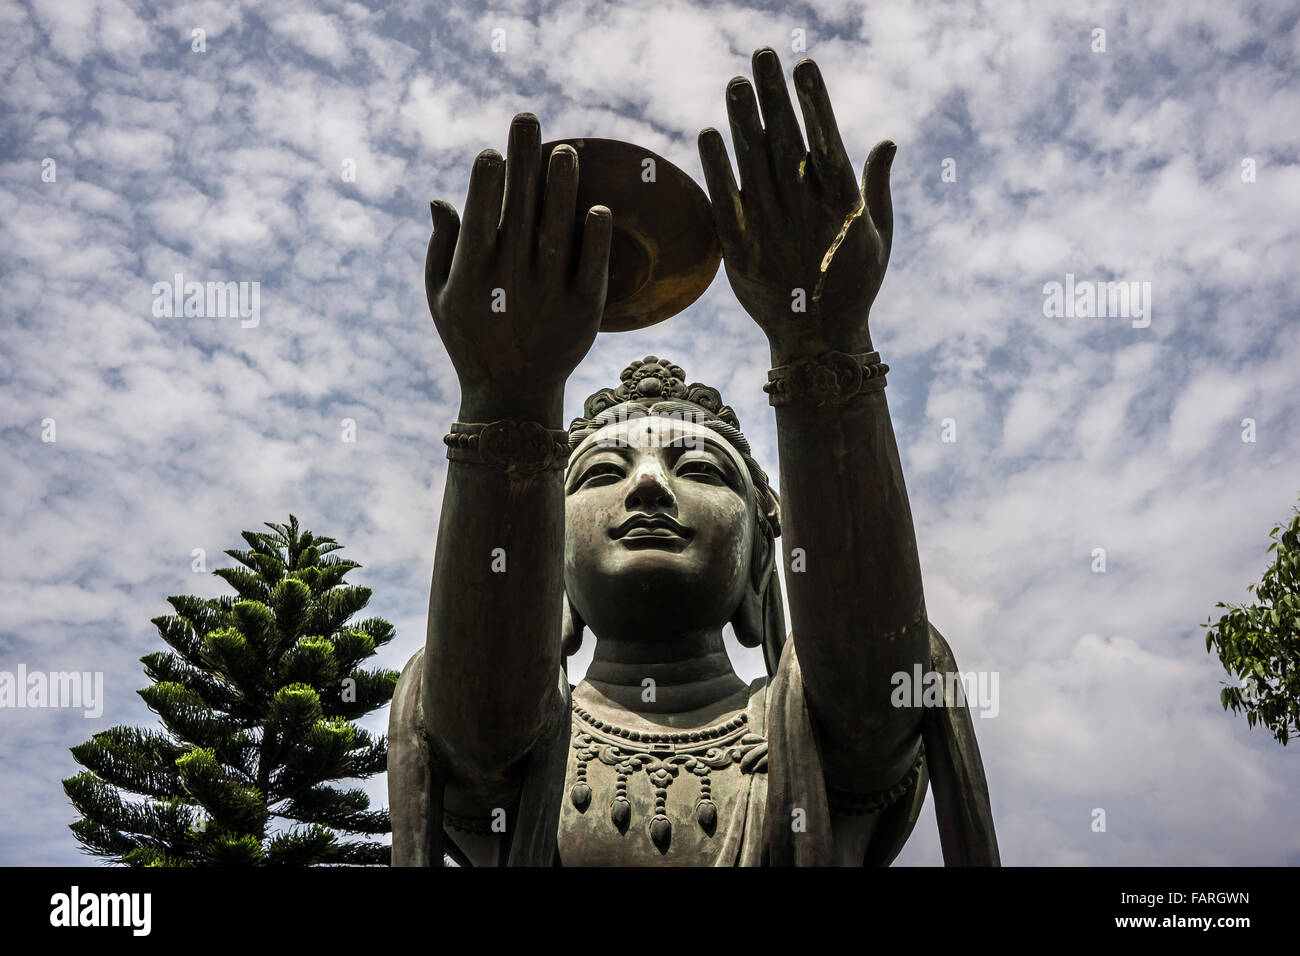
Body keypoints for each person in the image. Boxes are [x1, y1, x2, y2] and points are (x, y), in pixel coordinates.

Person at [388, 48, 998, 866]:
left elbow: (872, 675)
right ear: (542, 562)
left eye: (700, 470)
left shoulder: (809, 734)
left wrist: (820, 338)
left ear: (762, 562)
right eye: (601, 472)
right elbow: (481, 716)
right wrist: (507, 399)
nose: (647, 486)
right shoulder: (516, 745)